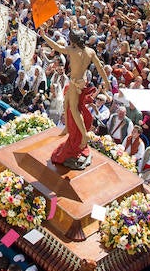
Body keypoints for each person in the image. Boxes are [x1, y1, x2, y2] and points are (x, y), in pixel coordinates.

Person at [43, 29, 111, 170]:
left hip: (75, 83)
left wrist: (44, 35)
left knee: (74, 109)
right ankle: (68, 127)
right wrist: (107, 82)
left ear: (73, 41)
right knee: (67, 102)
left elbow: (57, 47)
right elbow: (100, 67)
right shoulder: (90, 52)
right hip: (80, 81)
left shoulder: (73, 51)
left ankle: (84, 135)